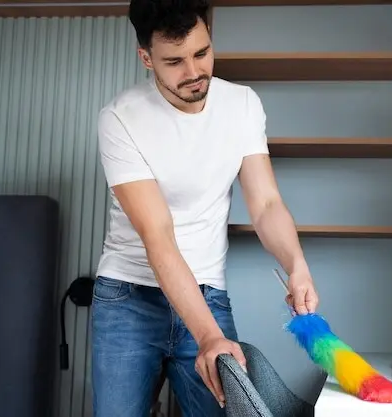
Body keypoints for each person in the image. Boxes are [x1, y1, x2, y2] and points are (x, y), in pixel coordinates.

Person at [90, 0, 320, 416]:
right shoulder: (120, 119)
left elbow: (266, 204)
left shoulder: (243, 105)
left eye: (202, 53)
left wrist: (296, 264)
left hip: (207, 291)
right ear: (146, 58)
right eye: (174, 61)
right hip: (129, 298)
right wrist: (209, 337)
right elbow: (158, 235)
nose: (194, 71)